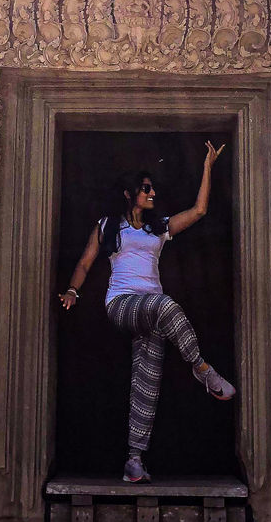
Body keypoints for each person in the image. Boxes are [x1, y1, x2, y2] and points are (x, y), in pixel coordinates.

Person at [58, 141, 235, 483]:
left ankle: (134, 460)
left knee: (146, 385)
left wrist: (208, 167)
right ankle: (202, 368)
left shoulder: (159, 227)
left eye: (152, 188)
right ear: (129, 194)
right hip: (122, 304)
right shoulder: (109, 226)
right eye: (145, 189)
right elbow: (85, 262)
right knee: (165, 304)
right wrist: (72, 290)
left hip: (153, 314)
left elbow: (199, 211)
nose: (152, 193)